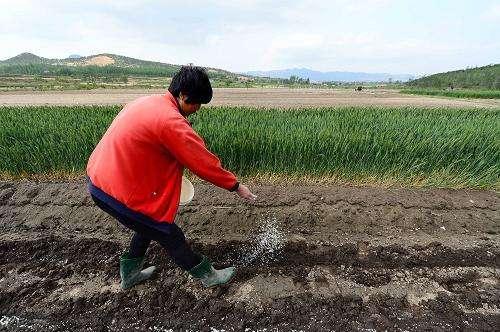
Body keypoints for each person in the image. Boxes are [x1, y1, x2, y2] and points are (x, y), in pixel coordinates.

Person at [86, 66, 257, 290]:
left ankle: (130, 274)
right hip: (117, 192)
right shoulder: (171, 122)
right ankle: (209, 276)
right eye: (196, 104)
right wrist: (235, 186)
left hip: (99, 181)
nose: (196, 109)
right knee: (169, 234)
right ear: (183, 95)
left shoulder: (145, 102)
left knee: (148, 224)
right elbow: (203, 162)